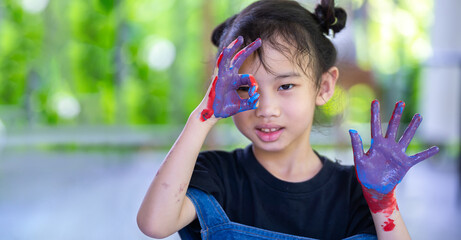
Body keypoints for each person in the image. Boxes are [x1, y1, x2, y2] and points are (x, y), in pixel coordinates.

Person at [137, 0, 439, 239]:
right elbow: (154, 224)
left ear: (323, 87)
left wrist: (383, 204)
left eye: (285, 86)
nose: (266, 108)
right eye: (245, 87)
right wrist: (203, 117)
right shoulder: (215, 174)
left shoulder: (355, 190)